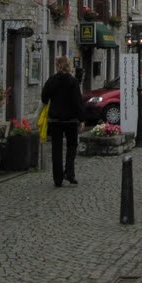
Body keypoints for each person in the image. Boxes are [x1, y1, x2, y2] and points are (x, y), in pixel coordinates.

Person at [41, 55, 86, 187]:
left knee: (56, 149)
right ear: (68, 66)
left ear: (57, 66)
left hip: (55, 120)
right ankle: (69, 173)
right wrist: (81, 119)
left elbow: (44, 98)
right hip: (70, 120)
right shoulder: (73, 82)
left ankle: (58, 178)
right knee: (72, 146)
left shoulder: (52, 81)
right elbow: (78, 102)